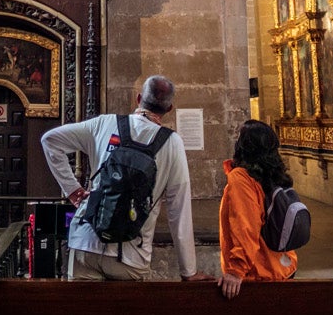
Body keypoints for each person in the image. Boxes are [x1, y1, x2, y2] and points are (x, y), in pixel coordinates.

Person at [40, 75, 212, 282]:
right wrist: (188, 271)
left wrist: (73, 190)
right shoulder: (172, 143)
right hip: (131, 254)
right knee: (124, 314)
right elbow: (179, 209)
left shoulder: (103, 124)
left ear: (138, 99)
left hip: (87, 242)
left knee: (82, 313)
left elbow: (50, 140)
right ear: (169, 109)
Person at [218, 120, 298, 298]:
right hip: (281, 266)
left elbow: (245, 226)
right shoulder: (273, 175)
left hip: (259, 274)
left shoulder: (241, 178)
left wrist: (236, 270)